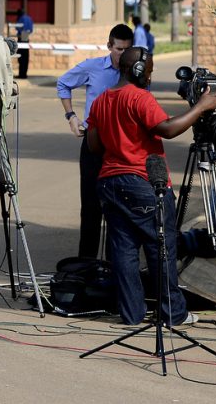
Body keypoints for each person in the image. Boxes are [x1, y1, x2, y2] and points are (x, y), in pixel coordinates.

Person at [87, 46, 216, 325]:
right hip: (142, 182)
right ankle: (173, 313)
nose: (150, 77)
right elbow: (168, 129)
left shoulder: (101, 100)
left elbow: (94, 146)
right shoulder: (139, 97)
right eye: (149, 71)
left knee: (124, 251)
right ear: (138, 70)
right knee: (160, 247)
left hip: (109, 183)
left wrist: (118, 141)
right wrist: (201, 106)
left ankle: (131, 314)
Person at [57, 24, 135, 258]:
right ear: (109, 46)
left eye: (127, 50)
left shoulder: (136, 73)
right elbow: (63, 83)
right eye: (119, 49)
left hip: (122, 147)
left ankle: (114, 265)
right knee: (91, 206)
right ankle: (87, 264)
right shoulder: (93, 67)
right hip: (94, 143)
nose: (123, 54)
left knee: (118, 208)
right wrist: (71, 117)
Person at [14, 6, 34, 79]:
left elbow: (17, 27)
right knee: (26, 56)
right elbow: (31, 29)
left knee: (21, 57)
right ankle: (24, 74)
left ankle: (21, 74)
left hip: (22, 36)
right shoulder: (29, 18)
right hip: (26, 36)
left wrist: (21, 33)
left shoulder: (21, 18)